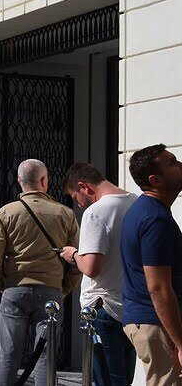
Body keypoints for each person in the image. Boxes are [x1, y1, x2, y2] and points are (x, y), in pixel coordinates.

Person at [0, 159, 80, 386]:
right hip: (51, 291)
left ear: (19, 182)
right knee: (46, 357)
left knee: (8, 355)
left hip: (15, 288)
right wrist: (63, 288)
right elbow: (77, 259)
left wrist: (2, 284)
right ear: (44, 180)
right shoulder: (64, 214)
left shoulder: (6, 213)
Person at [57, 162, 137, 386]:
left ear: (84, 186)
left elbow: (91, 267)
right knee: (123, 378)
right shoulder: (136, 202)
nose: (79, 204)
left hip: (103, 307)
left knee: (104, 379)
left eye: (76, 197)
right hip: (130, 306)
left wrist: (73, 254)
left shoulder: (96, 212)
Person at [120, 144, 182, 386]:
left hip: (149, 320)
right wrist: (180, 343)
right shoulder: (155, 218)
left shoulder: (147, 212)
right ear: (155, 180)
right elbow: (158, 287)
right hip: (155, 323)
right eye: (172, 162)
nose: (180, 165)